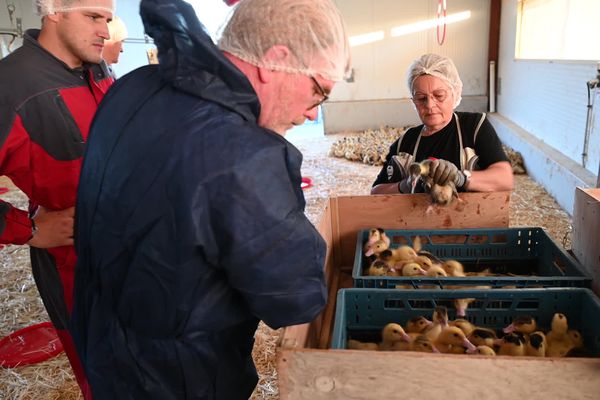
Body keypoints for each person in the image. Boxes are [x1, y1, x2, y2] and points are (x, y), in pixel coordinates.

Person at [70, 0, 350, 398]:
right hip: (178, 377)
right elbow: (295, 297)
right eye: (319, 91)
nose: (311, 114)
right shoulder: (244, 155)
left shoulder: (135, 86)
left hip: (104, 345)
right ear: (275, 61)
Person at [0, 0, 114, 398]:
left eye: (109, 20)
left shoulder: (96, 70)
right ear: (54, 10)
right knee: (105, 376)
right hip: (75, 265)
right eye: (94, 17)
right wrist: (26, 228)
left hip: (132, 254)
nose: (106, 30)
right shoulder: (11, 85)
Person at [371, 53, 514, 195]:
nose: (430, 105)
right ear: (413, 101)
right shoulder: (406, 143)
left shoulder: (474, 127)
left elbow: (505, 178)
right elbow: (376, 193)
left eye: (439, 96)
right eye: (421, 98)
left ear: (454, 94)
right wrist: (405, 186)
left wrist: (461, 178)